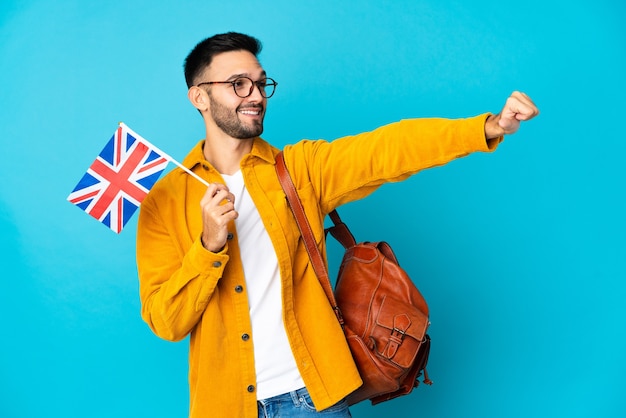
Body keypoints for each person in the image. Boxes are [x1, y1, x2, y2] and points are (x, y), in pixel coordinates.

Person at [136, 32, 539, 418]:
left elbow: (388, 149)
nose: (256, 96)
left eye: (261, 84)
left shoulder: (298, 169)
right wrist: (208, 247)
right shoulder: (164, 200)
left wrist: (487, 127)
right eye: (239, 84)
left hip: (311, 400)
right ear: (199, 96)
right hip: (223, 407)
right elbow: (166, 321)